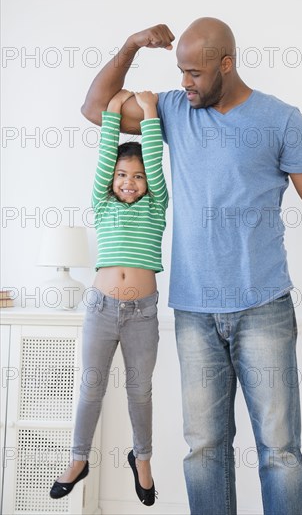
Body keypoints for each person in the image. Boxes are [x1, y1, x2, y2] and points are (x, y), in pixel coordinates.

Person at [80, 18, 302, 515]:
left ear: (226, 64)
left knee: (281, 452)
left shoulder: (280, 119)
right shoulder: (176, 111)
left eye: (195, 73)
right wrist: (133, 45)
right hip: (194, 313)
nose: (184, 83)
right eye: (180, 72)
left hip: (264, 305)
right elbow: (96, 108)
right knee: (204, 451)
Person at [50, 89, 169, 507]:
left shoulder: (157, 206)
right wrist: (113, 112)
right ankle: (78, 459)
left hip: (142, 314)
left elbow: (153, 161)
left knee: (140, 392)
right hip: (101, 309)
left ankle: (143, 459)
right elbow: (105, 161)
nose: (129, 181)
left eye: (136, 176)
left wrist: (151, 112)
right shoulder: (102, 204)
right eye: (122, 175)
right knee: (91, 388)